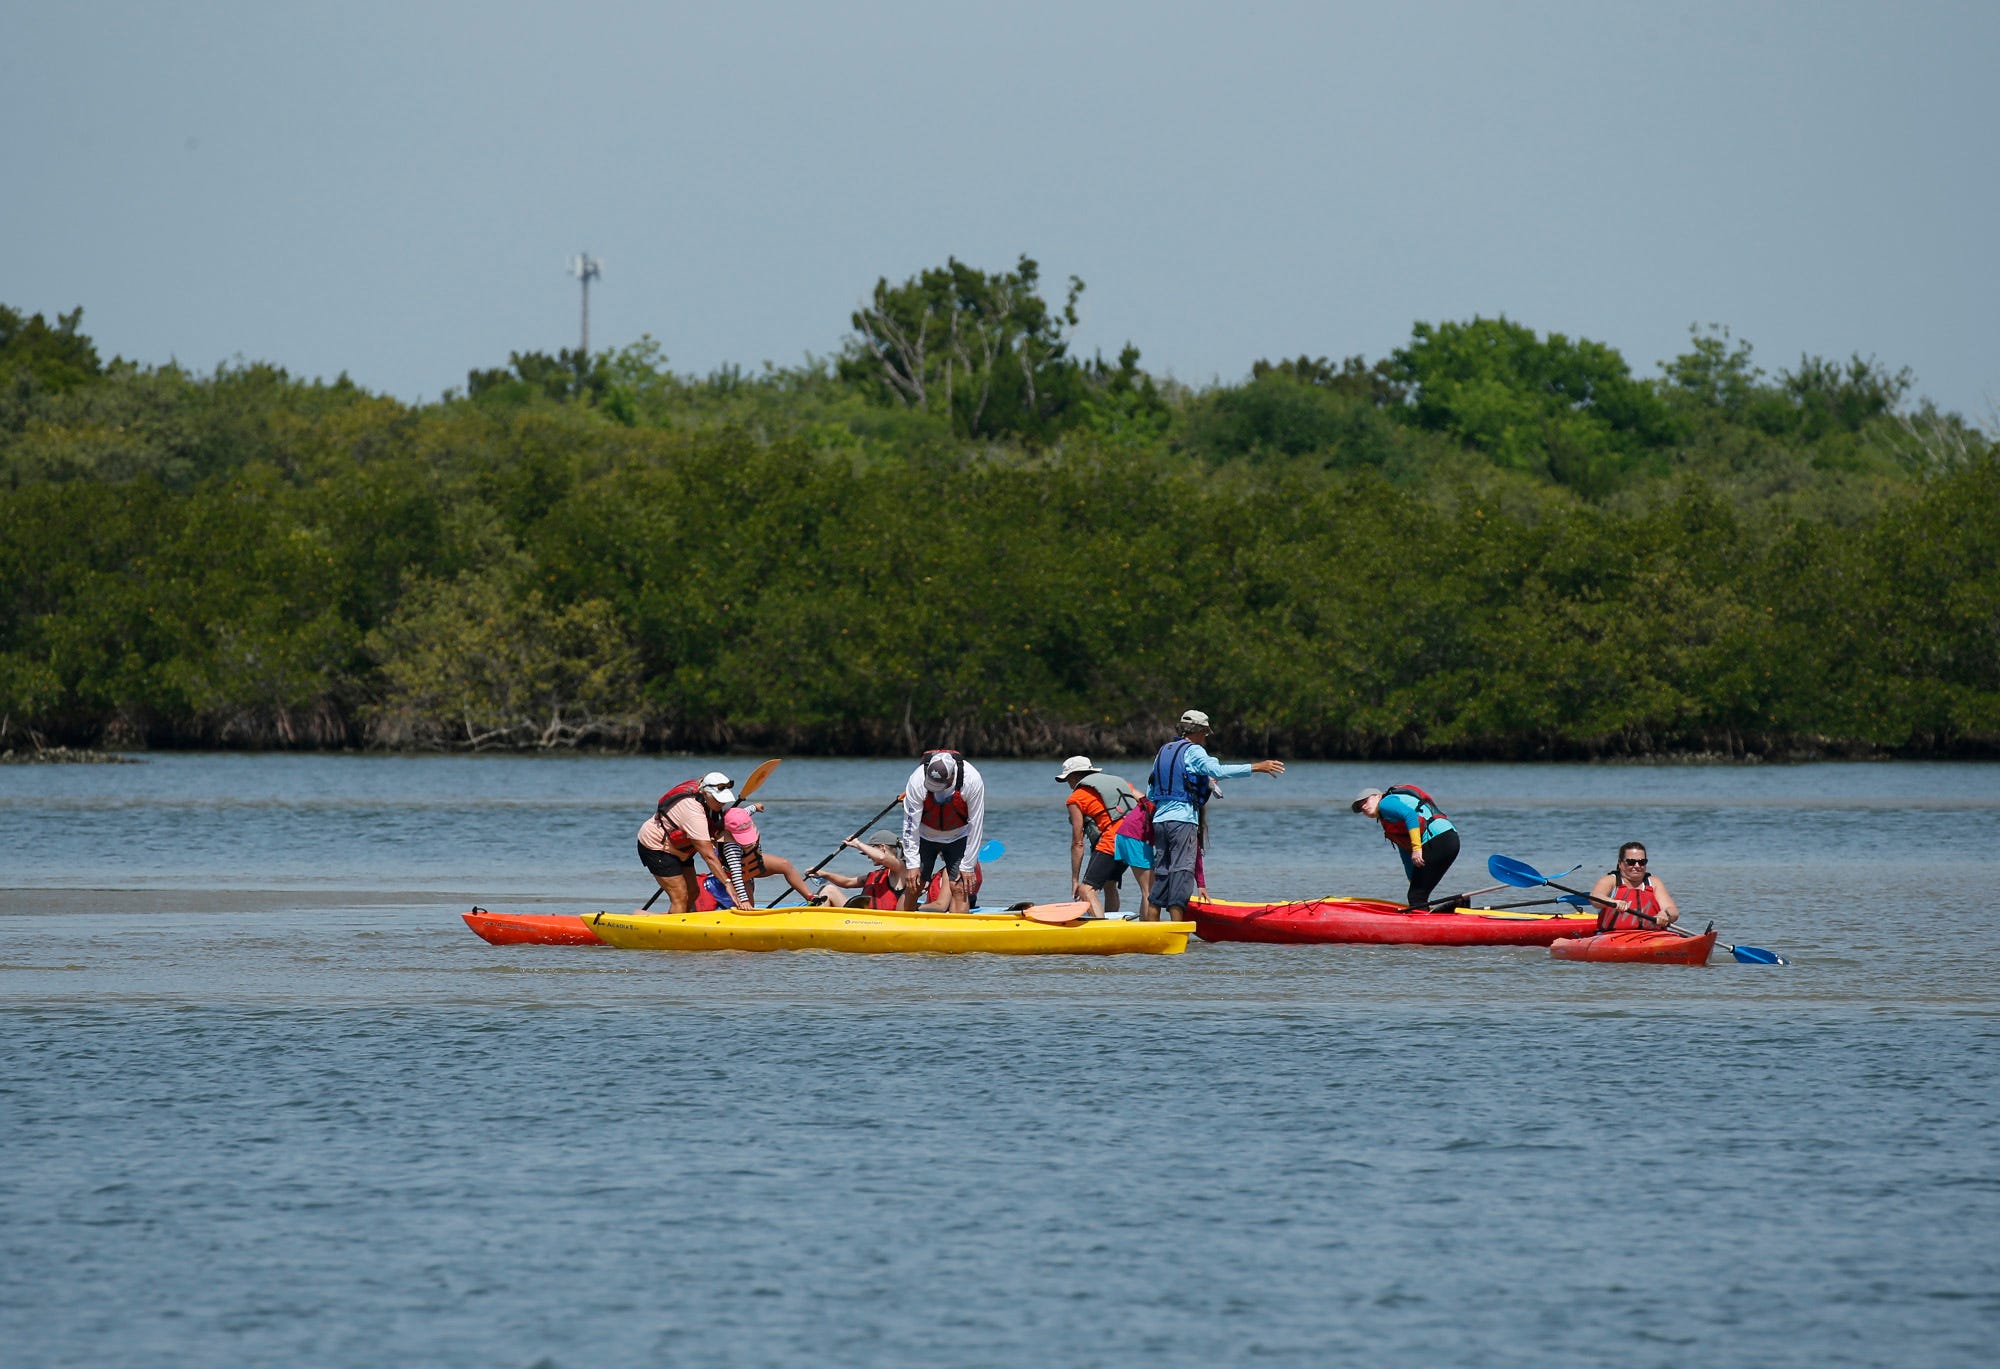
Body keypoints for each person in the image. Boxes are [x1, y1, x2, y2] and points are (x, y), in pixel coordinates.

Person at [1145, 710, 1284, 922]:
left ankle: (1151, 934)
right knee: (1181, 877)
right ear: (1199, 732)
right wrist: (1257, 767)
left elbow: (1151, 792)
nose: (1205, 738)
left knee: (1161, 878)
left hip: (1160, 822)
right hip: (1182, 822)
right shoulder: (1194, 751)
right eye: (1205, 733)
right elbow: (1218, 771)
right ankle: (1176, 938)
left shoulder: (1162, 751)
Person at [636, 770, 736, 913]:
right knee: (680, 896)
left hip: (681, 850)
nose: (722, 802)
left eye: (724, 799)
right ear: (705, 793)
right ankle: (672, 931)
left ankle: (674, 920)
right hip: (657, 847)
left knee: (693, 892)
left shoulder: (703, 789)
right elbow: (708, 856)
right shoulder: (693, 813)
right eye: (718, 799)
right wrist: (727, 883)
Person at [900, 748, 985, 913]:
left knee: (960, 888)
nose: (934, 789)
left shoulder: (972, 780)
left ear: (952, 776)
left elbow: (976, 825)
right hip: (924, 836)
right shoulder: (917, 780)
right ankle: (898, 930)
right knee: (914, 886)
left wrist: (968, 866)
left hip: (958, 837)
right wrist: (912, 864)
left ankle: (959, 935)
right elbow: (910, 826)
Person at [1351, 784, 1460, 908]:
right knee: (1418, 893)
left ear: (1377, 796)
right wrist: (1413, 880)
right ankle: (1454, 908)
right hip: (1448, 839)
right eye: (1360, 807)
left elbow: (1411, 816)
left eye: (1365, 801)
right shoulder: (1389, 818)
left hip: (1438, 839)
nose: (1363, 807)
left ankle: (1423, 923)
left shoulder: (1385, 803)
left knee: (1416, 896)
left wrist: (1417, 849)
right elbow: (1405, 852)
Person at [1058, 755, 1141, 916]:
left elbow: (1078, 843)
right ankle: (1113, 922)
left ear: (1075, 776)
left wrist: (1075, 880)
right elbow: (1144, 800)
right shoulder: (1122, 783)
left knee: (1086, 890)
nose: (1068, 784)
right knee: (1110, 884)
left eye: (1068, 779)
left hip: (1113, 840)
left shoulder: (1076, 798)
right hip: (1137, 837)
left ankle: (1101, 930)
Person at [715, 801, 823, 908]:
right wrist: (744, 900)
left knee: (784, 864)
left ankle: (811, 898)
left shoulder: (741, 817)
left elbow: (746, 811)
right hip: (740, 875)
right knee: (748, 905)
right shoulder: (731, 847)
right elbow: (736, 874)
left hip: (754, 863)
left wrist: (755, 807)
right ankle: (746, 911)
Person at [816, 830, 958, 911]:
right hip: (862, 917)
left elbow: (883, 858)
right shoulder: (877, 875)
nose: (868, 857)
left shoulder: (901, 868)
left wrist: (858, 844)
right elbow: (847, 882)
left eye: (869, 852)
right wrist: (824, 873)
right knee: (828, 890)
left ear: (883, 848)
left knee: (828, 891)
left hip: (882, 920)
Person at [1586, 842, 1681, 932]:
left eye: (1642, 862)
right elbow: (1595, 898)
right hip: (1613, 935)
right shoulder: (1609, 880)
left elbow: (1673, 911)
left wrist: (1665, 914)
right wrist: (1613, 902)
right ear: (1620, 864)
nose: (1637, 866)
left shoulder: (1654, 882)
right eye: (1631, 862)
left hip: (1651, 935)